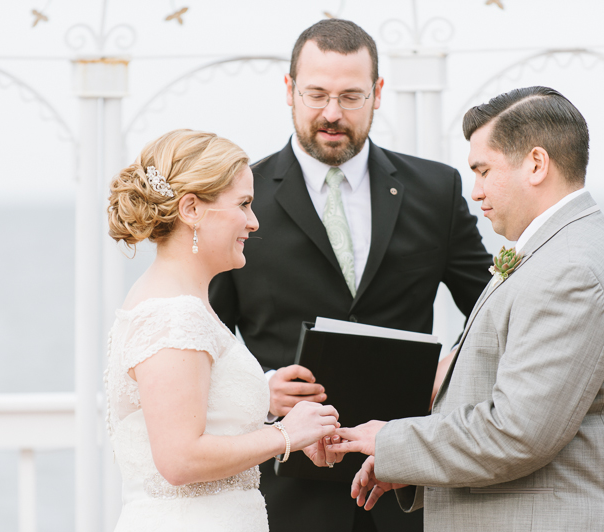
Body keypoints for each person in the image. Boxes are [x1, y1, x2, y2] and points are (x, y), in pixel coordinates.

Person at [208, 19, 493, 532]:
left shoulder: (437, 189)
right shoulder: (240, 202)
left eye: (351, 96)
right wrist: (260, 389)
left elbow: (495, 313)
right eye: (316, 94)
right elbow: (204, 341)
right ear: (289, 90)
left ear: (378, 93)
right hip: (285, 492)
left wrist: (450, 370)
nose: (332, 114)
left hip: (406, 486)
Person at [328, 87, 604, 531]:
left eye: (483, 171)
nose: (476, 191)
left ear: (536, 164)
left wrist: (389, 440)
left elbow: (516, 433)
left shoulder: (570, 270)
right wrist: (406, 466)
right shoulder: (558, 249)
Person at [104, 129, 341, 532]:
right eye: (244, 204)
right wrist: (285, 434)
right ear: (192, 209)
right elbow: (180, 459)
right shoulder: (174, 314)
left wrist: (278, 416)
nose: (253, 221)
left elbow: (200, 419)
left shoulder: (182, 301)